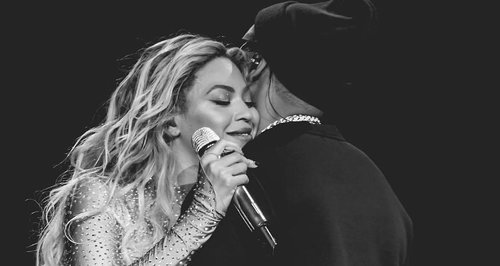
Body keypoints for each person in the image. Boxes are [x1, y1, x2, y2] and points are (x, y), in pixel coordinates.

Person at [187, 0, 413, 265]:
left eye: (244, 47)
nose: (233, 54)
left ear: (257, 62)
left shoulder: (239, 174)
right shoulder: (384, 193)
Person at [34, 33, 260, 265]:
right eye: (222, 100)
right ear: (171, 120)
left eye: (250, 102)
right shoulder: (103, 196)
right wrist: (203, 212)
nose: (247, 114)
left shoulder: (252, 202)